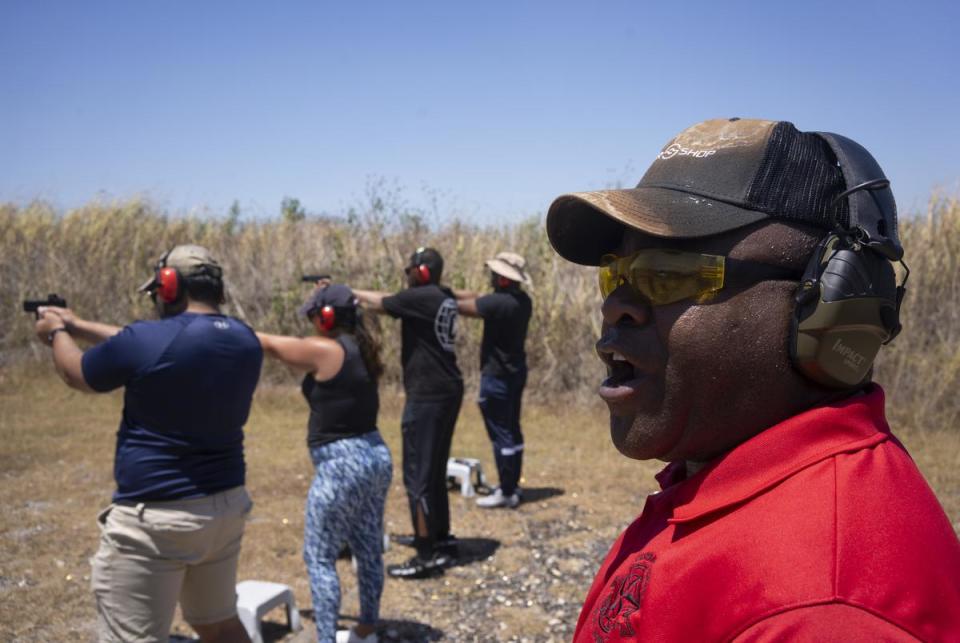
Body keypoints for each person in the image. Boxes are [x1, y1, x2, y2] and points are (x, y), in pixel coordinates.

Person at [545, 118, 960, 640]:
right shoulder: (726, 475)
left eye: (669, 274)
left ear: (828, 309)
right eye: (617, 274)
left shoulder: (823, 612)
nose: (616, 306)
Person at [33, 244, 262, 643]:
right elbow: (145, 342)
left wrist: (55, 333)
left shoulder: (150, 339)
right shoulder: (245, 340)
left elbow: (78, 373)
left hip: (156, 520)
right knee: (219, 624)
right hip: (223, 509)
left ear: (169, 286)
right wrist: (78, 323)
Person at [256, 284, 392, 643]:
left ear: (327, 317)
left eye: (316, 314)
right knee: (368, 549)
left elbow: (269, 345)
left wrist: (216, 328)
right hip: (374, 455)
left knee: (319, 558)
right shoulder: (362, 348)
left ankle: (328, 639)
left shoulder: (326, 350)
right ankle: (366, 627)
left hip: (342, 463)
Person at [353, 247, 463, 579]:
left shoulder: (423, 296)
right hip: (445, 391)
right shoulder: (442, 294)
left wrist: (346, 292)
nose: (406, 275)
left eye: (410, 270)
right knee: (433, 471)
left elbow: (380, 302)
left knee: (417, 476)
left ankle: (426, 554)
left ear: (423, 272)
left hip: (428, 396)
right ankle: (438, 537)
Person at [454, 252, 533, 509]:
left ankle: (507, 491)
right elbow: (478, 297)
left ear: (503, 280)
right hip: (514, 373)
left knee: (501, 434)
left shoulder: (499, 303)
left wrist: (436, 296)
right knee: (512, 429)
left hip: (497, 377)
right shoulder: (522, 301)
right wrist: (445, 290)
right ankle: (512, 487)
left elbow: (465, 306)